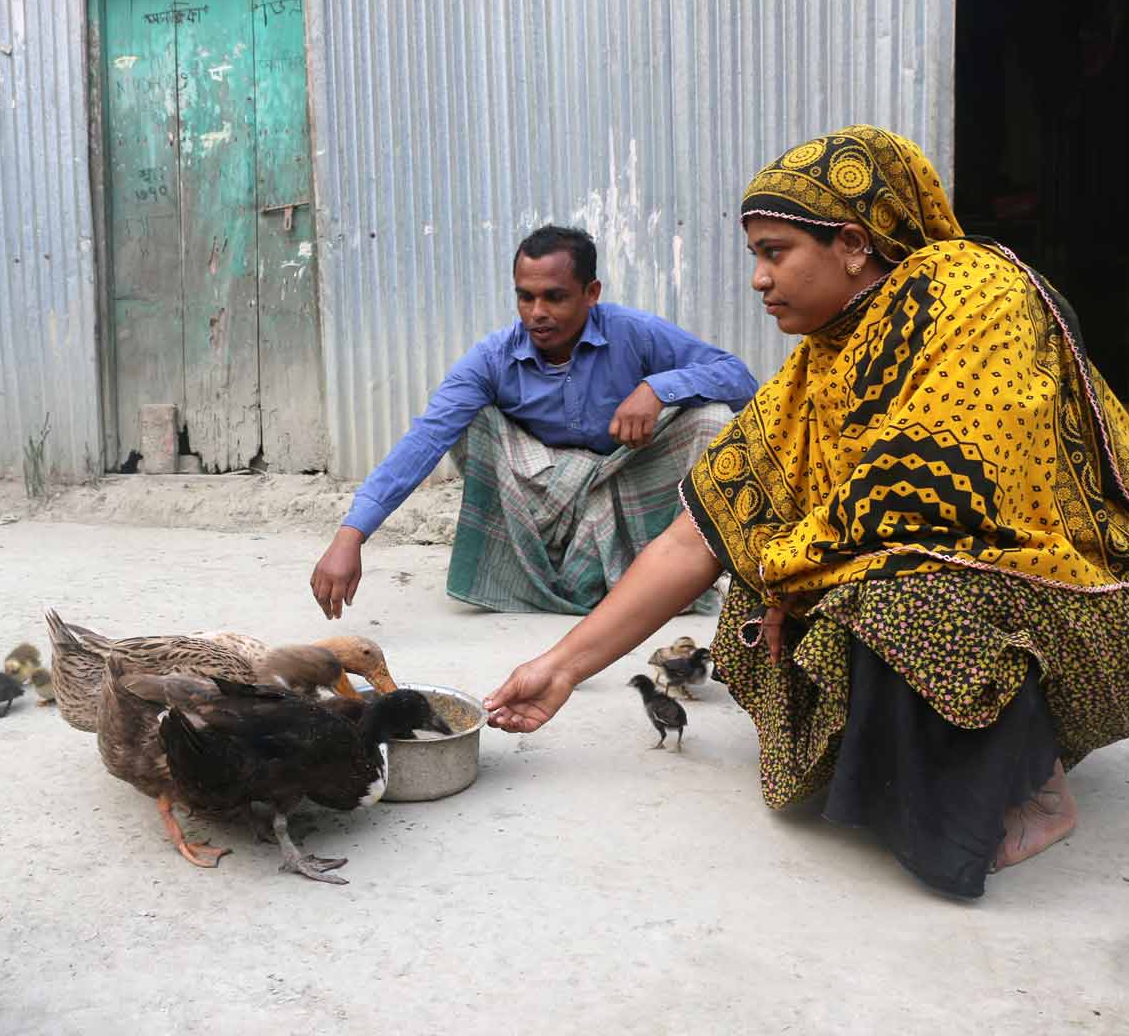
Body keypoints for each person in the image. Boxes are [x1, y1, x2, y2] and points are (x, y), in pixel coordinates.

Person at [484, 125, 1129, 898]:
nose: (758, 279)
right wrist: (558, 669)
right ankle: (949, 754)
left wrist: (788, 565)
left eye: (774, 251)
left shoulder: (973, 291)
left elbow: (927, 484)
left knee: (902, 597)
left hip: (1076, 604)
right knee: (763, 594)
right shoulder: (823, 360)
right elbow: (699, 535)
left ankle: (1036, 783)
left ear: (853, 244)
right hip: (947, 576)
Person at [310, 225, 758, 620]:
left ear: (592, 292)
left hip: (629, 479)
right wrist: (352, 534)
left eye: (555, 297)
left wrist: (659, 389)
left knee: (712, 420)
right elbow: (426, 438)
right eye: (526, 297)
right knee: (470, 421)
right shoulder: (492, 357)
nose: (537, 312)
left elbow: (740, 379)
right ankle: (545, 574)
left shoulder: (633, 332)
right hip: (545, 498)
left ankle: (671, 573)